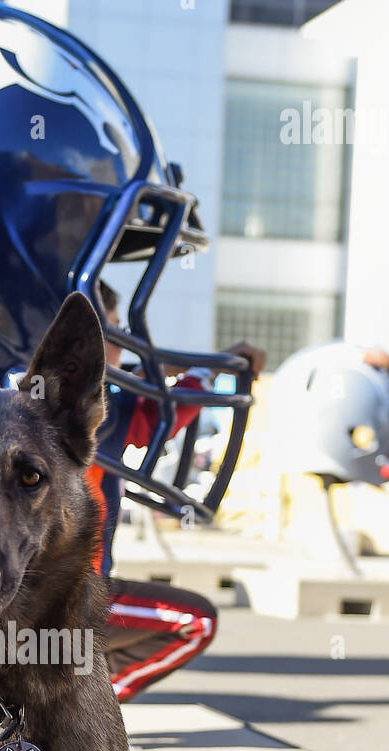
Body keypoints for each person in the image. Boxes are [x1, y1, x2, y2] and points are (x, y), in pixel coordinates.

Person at [91, 281, 265, 701]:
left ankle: (61, 705)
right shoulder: (84, 410)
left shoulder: (24, 402)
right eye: (111, 331)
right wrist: (207, 371)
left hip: (14, 605)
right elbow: (158, 416)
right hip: (60, 603)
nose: (122, 346)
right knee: (195, 621)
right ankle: (82, 714)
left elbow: (148, 408)